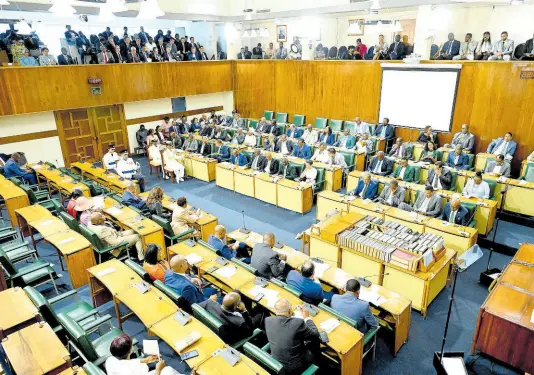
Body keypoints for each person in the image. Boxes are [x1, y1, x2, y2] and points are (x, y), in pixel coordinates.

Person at [265, 299, 320, 375]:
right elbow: (316, 334)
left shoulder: (268, 320)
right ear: (290, 310)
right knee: (315, 342)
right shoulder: (298, 323)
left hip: (277, 363)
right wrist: (307, 318)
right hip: (296, 367)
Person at [106, 333, 181, 375]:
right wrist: (158, 369)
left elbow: (127, 363)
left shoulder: (110, 361)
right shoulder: (132, 372)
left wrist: (146, 360)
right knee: (168, 370)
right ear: (131, 350)